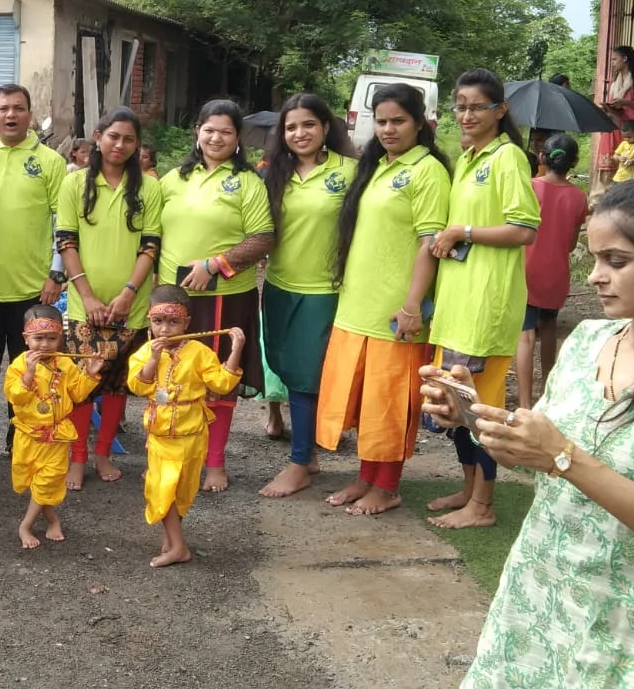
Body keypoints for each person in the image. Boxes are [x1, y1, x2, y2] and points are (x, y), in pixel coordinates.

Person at [422, 177, 634, 688]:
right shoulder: (589, 340)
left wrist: (565, 456)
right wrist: (473, 417)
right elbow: (535, 452)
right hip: (534, 604)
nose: (593, 278)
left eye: (616, 261)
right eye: (592, 258)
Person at [316, 84, 450, 515]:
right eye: (382, 121)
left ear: (420, 123)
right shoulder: (376, 165)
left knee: (390, 402)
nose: (388, 129)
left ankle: (387, 486)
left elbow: (430, 242)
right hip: (357, 305)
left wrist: (412, 305)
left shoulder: (428, 170)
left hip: (396, 310)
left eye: (399, 121)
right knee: (364, 401)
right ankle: (365, 477)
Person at [426, 68, 540, 530]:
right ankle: (469, 487)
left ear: (500, 110)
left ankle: (484, 504)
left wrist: (463, 231)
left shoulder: (508, 157)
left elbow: (525, 229)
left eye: (477, 106)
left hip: (485, 305)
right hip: (457, 301)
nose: (467, 115)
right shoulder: (468, 157)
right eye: (461, 106)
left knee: (478, 407)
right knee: (451, 402)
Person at [158, 99, 275, 492]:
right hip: (173, 299)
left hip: (225, 294)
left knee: (217, 380)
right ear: (197, 131)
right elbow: (151, 236)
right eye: (209, 129)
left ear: (238, 137)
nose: (216, 137)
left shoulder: (248, 182)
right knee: (173, 376)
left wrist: (214, 265)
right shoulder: (172, 179)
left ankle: (214, 462)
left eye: (225, 131)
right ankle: (173, 457)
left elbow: (262, 238)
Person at [55, 107, 163, 490]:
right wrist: (87, 294)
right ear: (98, 137)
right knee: (83, 384)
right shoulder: (75, 184)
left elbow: (151, 245)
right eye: (113, 136)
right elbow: (66, 240)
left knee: (117, 385)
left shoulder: (150, 187)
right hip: (85, 305)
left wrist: (128, 294)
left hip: (130, 306)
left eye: (129, 139)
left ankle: (103, 454)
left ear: (137, 146)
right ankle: (78, 457)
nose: (120, 145)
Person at [257, 94, 356, 499]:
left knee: (304, 376)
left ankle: (300, 463)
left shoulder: (350, 171)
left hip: (323, 291)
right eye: (291, 127)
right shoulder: (272, 174)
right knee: (281, 366)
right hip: (279, 285)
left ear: (326, 127)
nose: (300, 133)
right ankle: (309, 450)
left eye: (308, 125)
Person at [0, 84, 67, 467]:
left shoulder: (50, 162)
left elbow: (63, 223)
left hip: (33, 287)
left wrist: (55, 274)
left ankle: (23, 433)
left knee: (31, 366)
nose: (11, 115)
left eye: (19, 109)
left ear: (30, 114)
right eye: (3, 108)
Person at [126, 285, 244, 568]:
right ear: (149, 320)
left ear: (187, 323)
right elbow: (137, 385)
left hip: (193, 434)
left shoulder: (199, 352)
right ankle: (179, 547)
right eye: (158, 322)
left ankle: (172, 540)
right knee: (160, 487)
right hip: (161, 435)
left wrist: (236, 348)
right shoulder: (145, 351)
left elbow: (221, 384)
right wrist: (153, 360)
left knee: (182, 491)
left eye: (173, 321)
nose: (165, 329)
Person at [4, 305, 104, 549]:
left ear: (60, 338)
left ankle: (25, 525)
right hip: (28, 436)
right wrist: (28, 374)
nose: (45, 344)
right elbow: (15, 397)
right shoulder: (19, 364)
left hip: (57, 435)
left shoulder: (66, 364)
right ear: (26, 338)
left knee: (48, 480)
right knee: (35, 480)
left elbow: (77, 394)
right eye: (39, 338)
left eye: (51, 338)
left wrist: (90, 375)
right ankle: (52, 518)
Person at [516, 134, 589, 410]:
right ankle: (547, 397)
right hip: (556, 272)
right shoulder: (578, 197)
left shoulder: (529, 187)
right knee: (548, 331)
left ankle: (524, 403)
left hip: (525, 269)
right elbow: (571, 244)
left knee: (525, 335)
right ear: (574, 162)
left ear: (542, 158)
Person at [592, 46, 634, 199]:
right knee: (614, 162)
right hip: (617, 126)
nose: (612, 63)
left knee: (630, 164)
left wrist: (627, 103)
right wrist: (610, 108)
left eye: (614, 59)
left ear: (625, 59)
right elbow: (619, 110)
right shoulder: (615, 81)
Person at [612, 119, 634, 184]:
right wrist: (619, 158)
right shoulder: (623, 144)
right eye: (624, 137)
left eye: (629, 137)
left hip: (633, 176)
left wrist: (633, 161)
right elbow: (614, 156)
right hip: (620, 175)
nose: (627, 139)